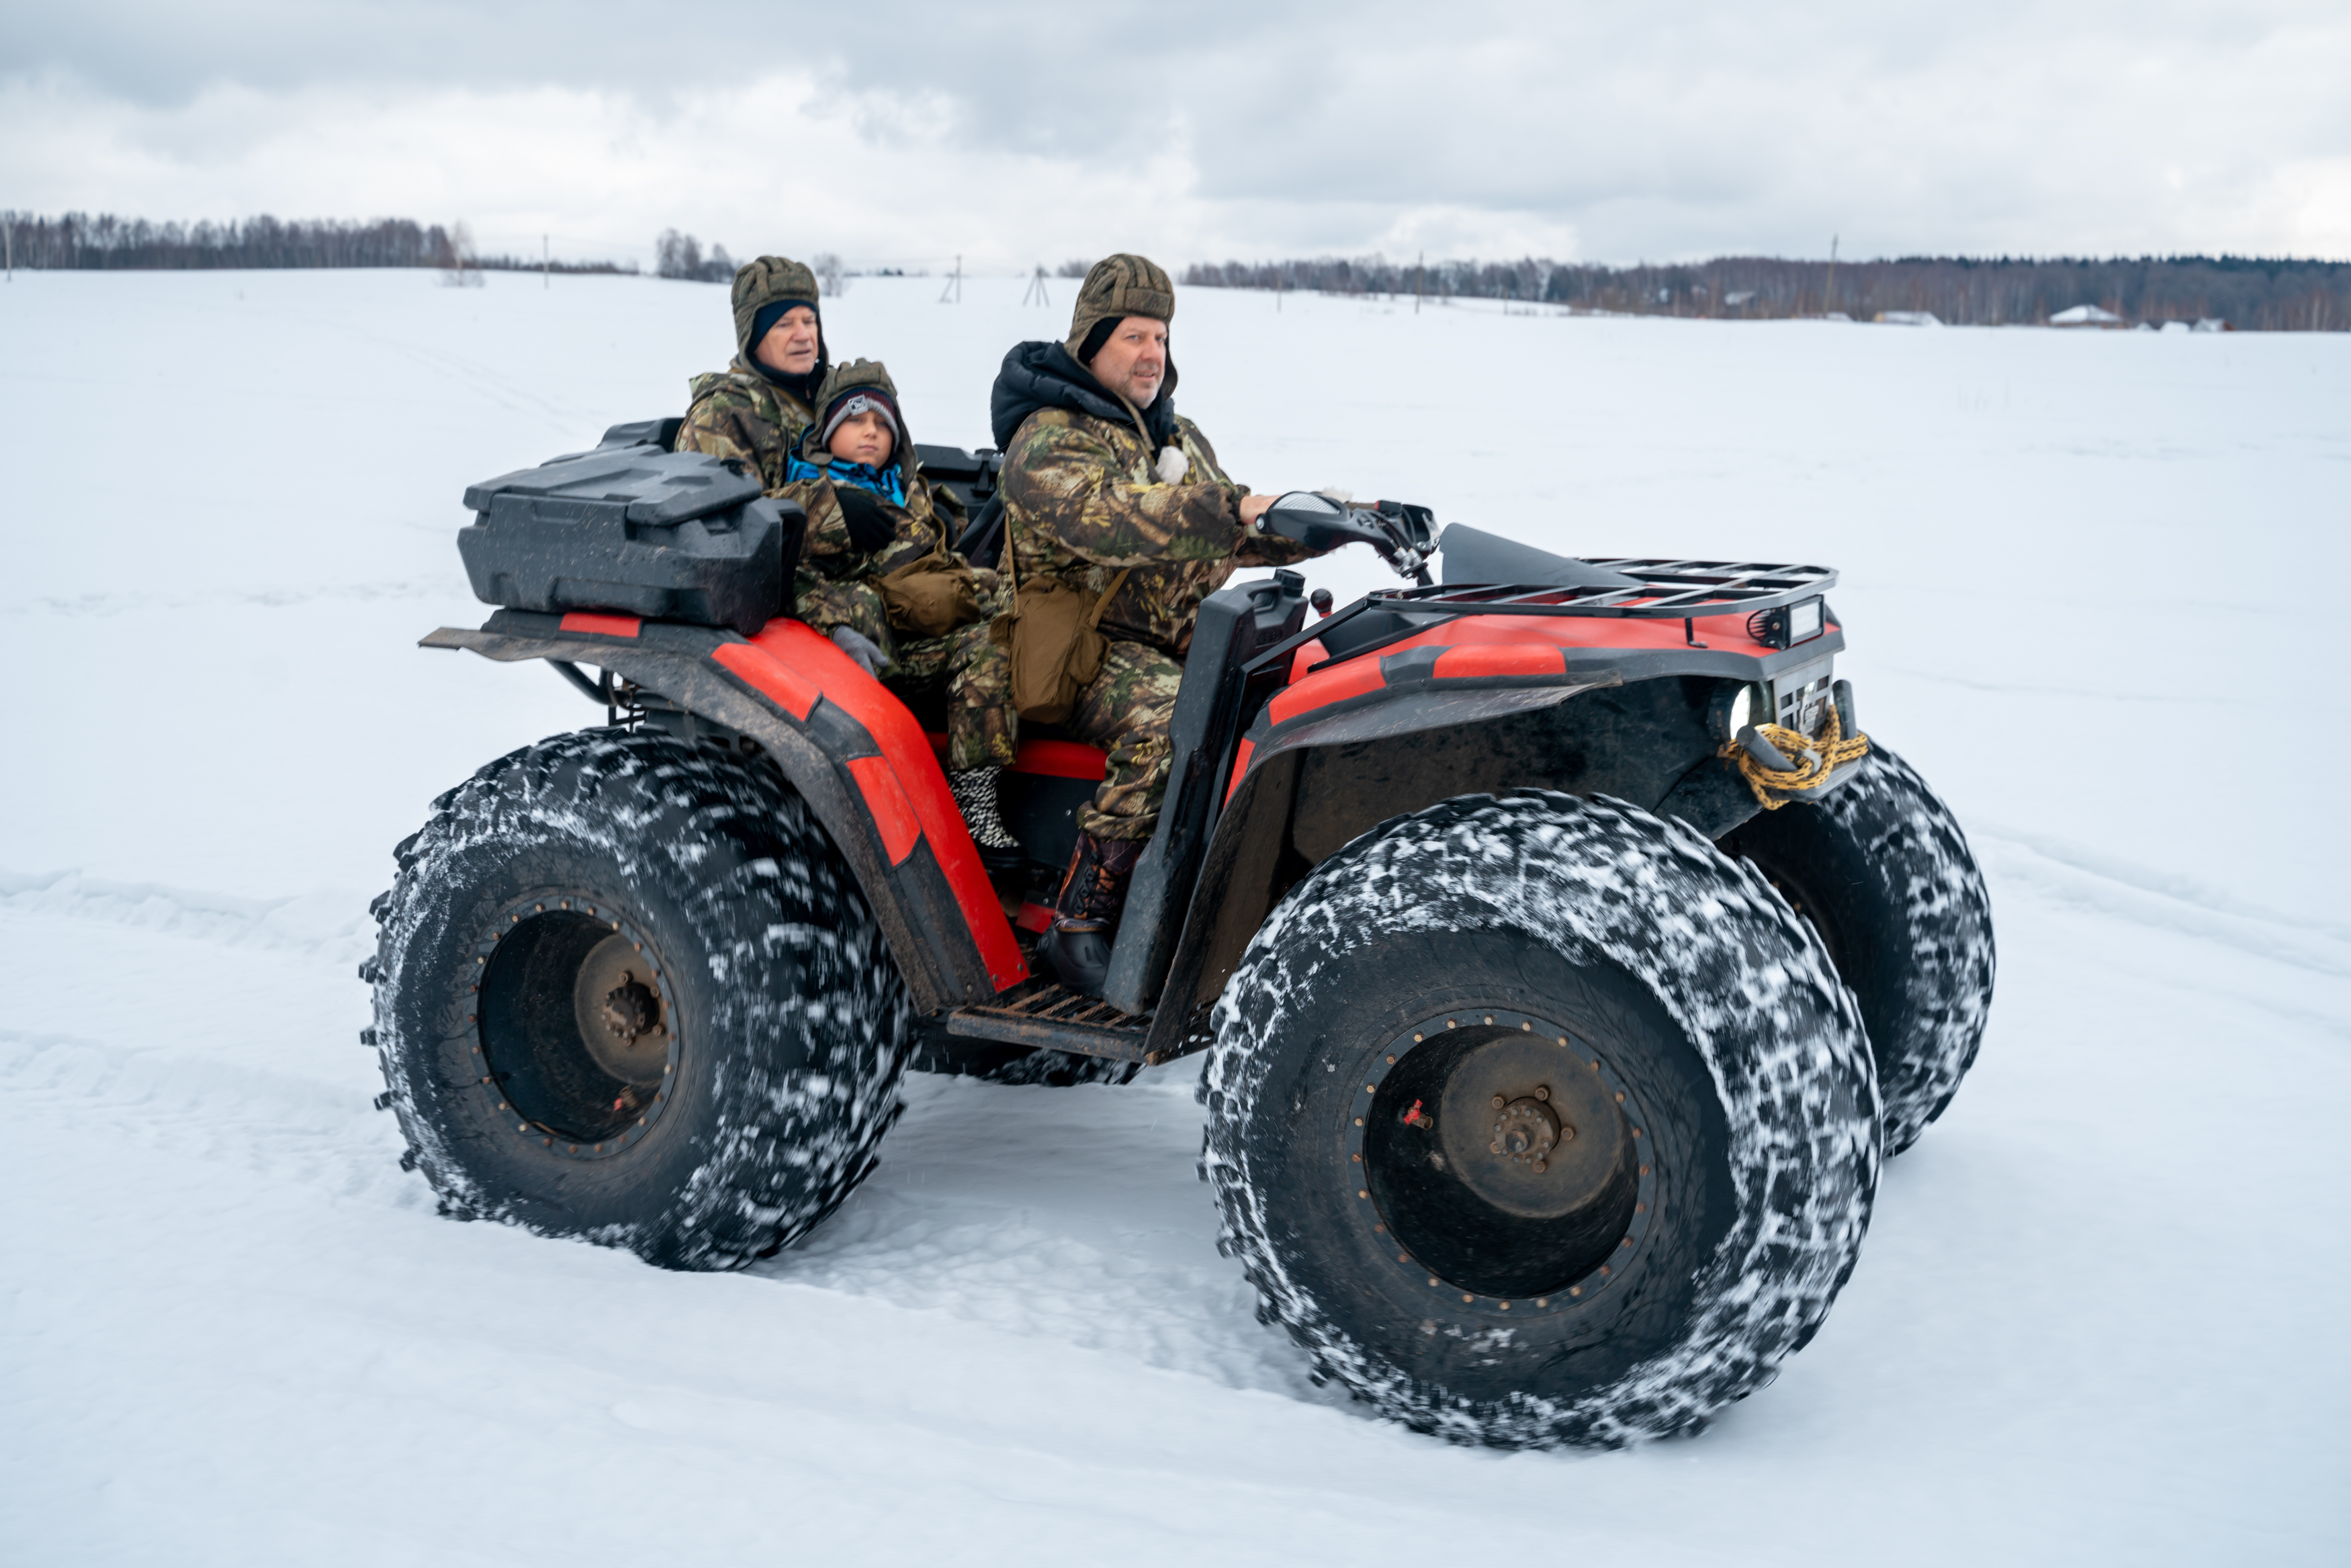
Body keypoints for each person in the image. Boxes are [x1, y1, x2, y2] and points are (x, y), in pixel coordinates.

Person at [987, 254, 1336, 993]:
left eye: (1161, 337)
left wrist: (1318, 521)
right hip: (1079, 649)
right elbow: (1108, 520)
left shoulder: (1171, 433)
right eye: (1133, 338)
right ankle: (1083, 917)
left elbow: (1227, 528)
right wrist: (1232, 506)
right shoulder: (1047, 439)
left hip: (1169, 637)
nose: (1152, 354)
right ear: (1090, 342)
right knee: (1169, 722)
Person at [780, 360, 1022, 860]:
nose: (870, 432)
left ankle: (983, 783)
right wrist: (841, 628)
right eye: (854, 420)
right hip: (881, 659)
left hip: (930, 627)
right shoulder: (806, 497)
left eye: (882, 424)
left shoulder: (908, 486)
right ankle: (970, 806)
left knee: (1014, 624)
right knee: (988, 650)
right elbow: (794, 581)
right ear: (827, 430)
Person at [673, 255, 828, 490]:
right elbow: (732, 516)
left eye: (809, 321)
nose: (803, 335)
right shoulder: (721, 416)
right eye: (784, 324)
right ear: (752, 338)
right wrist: (835, 506)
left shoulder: (837, 398)